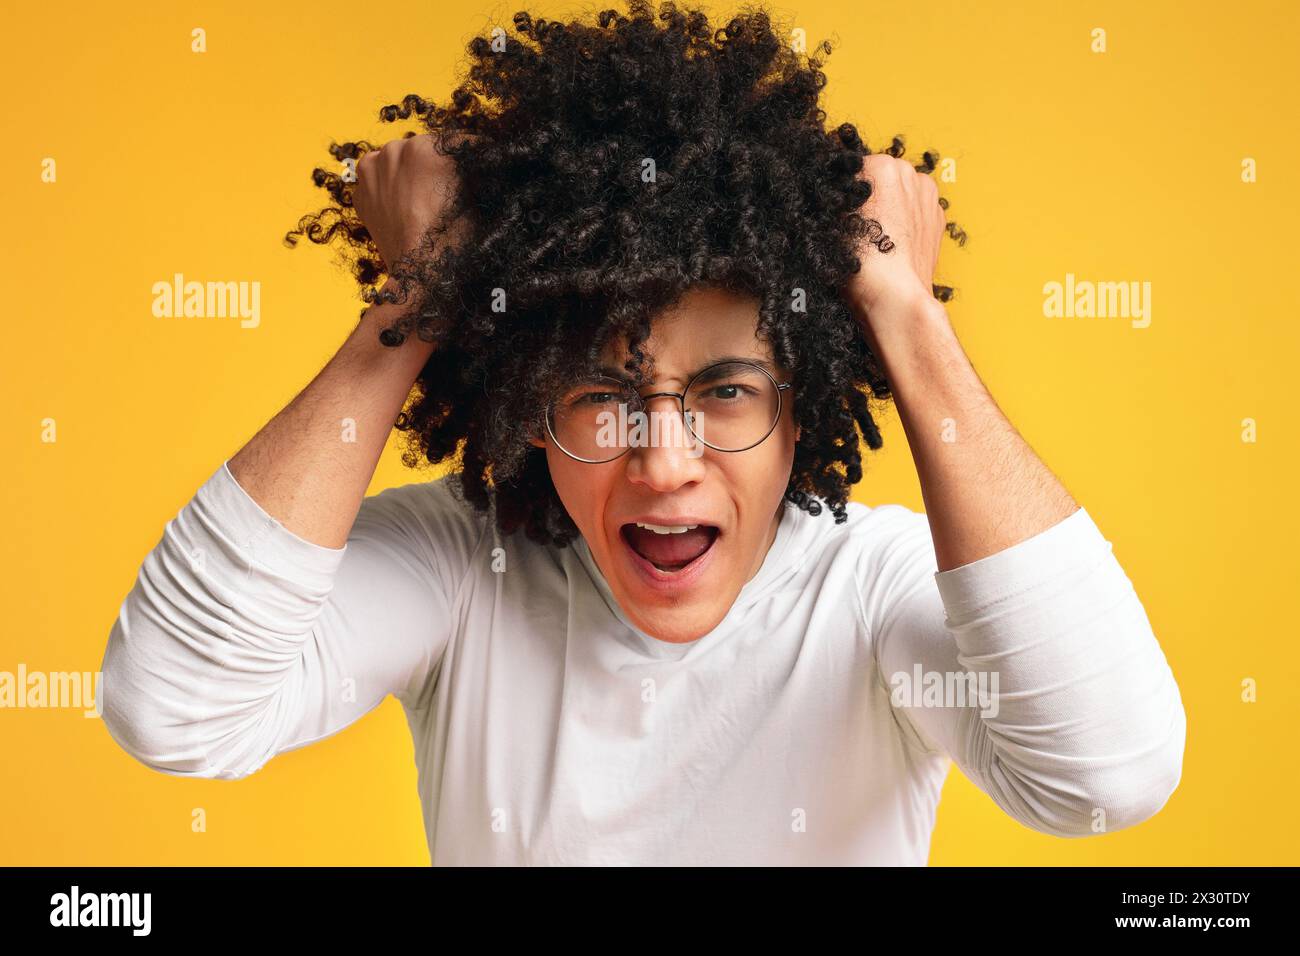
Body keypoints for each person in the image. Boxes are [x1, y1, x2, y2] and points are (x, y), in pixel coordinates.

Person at [98, 0, 1185, 865]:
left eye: (726, 392)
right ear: (525, 399)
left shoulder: (872, 584)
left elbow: (1106, 776)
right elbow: (174, 709)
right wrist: (413, 304)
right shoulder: (463, 565)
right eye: (596, 394)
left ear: (804, 402)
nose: (664, 463)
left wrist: (905, 312)